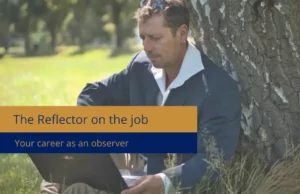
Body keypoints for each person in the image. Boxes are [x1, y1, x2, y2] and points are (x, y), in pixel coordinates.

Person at [40, 0, 241, 193]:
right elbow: (94, 93)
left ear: (181, 33)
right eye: (143, 37)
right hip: (132, 171)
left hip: (173, 187)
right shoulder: (141, 66)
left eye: (155, 38)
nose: (147, 46)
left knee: (77, 188)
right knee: (63, 170)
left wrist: (165, 182)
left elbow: (213, 161)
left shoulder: (217, 88)